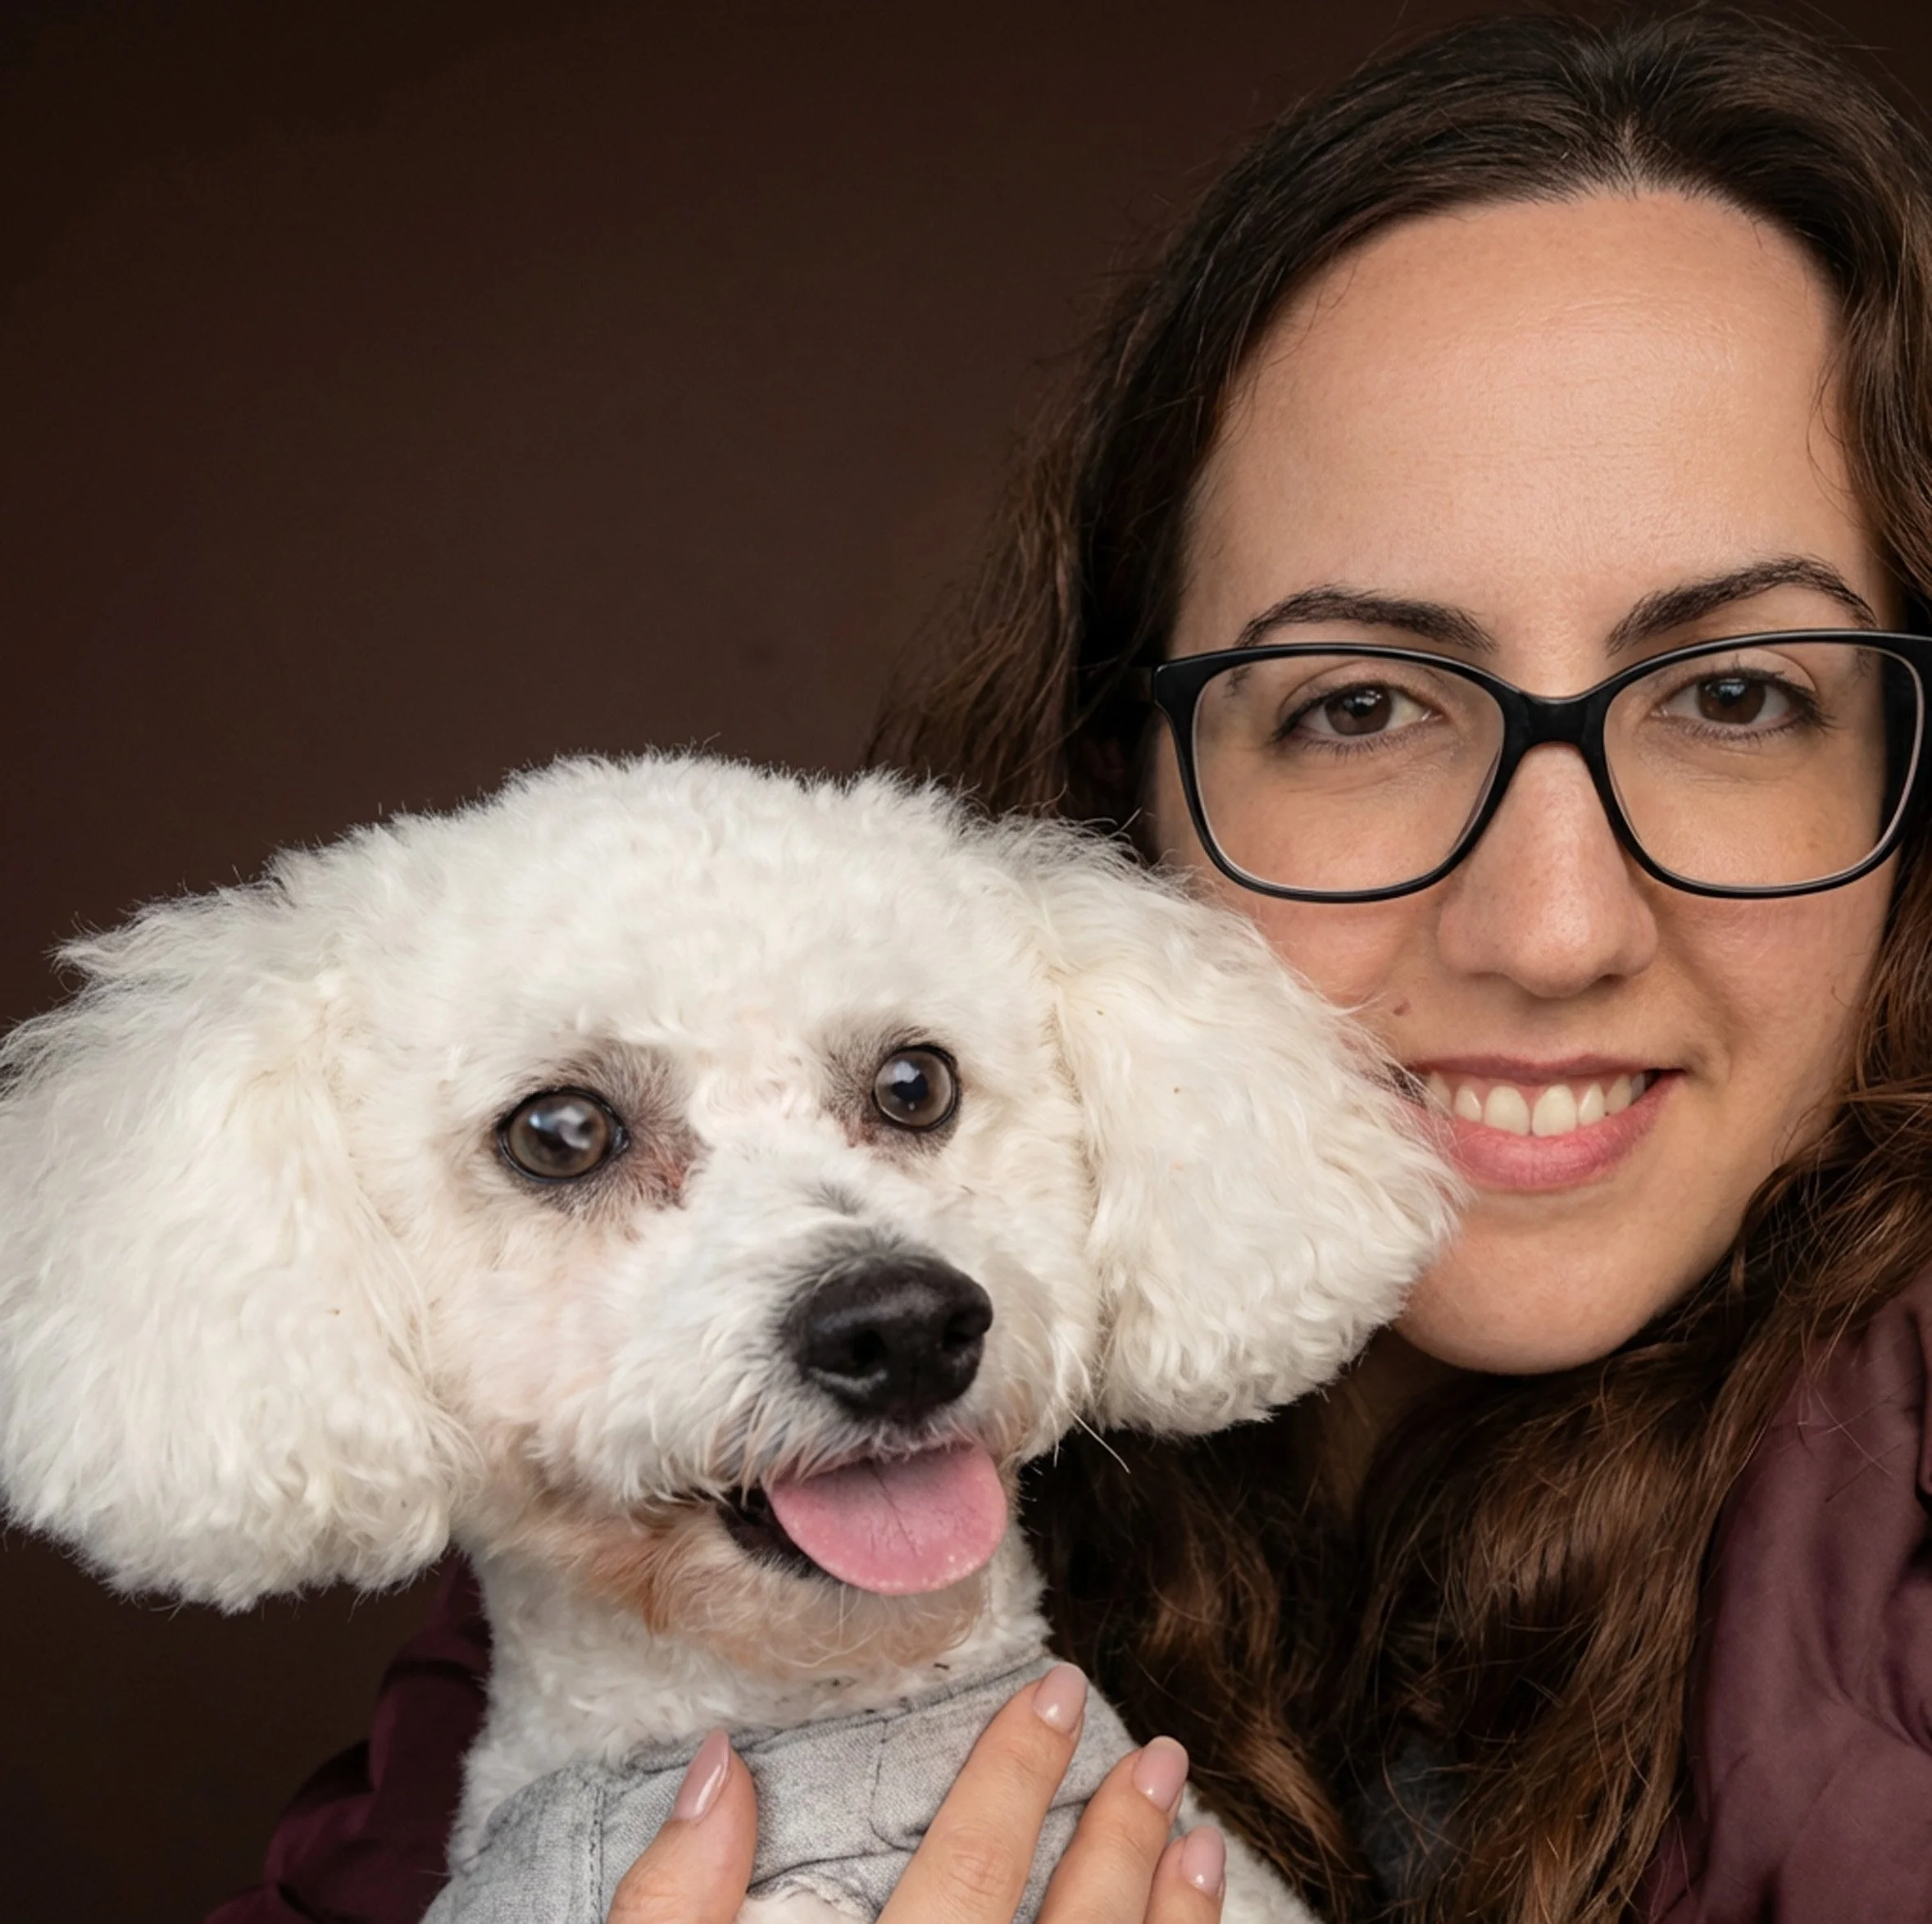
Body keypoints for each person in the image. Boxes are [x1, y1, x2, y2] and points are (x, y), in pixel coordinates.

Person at [207, 11, 1932, 1922]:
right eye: (1355, 703)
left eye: (1734, 692)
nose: (1549, 930)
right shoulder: (677, 1498)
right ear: (1122, 787)